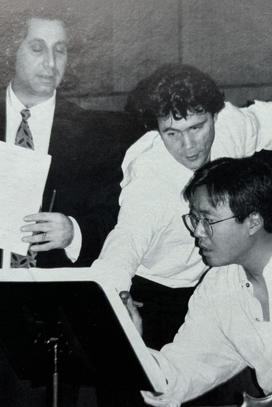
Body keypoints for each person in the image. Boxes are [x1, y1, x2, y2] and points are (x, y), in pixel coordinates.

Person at [91, 63, 272, 350]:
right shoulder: (149, 181)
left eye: (197, 127)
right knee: (144, 388)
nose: (188, 146)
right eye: (172, 133)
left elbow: (266, 120)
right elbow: (125, 242)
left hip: (216, 283)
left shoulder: (232, 126)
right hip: (154, 295)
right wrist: (114, 296)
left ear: (216, 115)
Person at [140, 152, 272, 406]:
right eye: (195, 219)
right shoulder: (220, 285)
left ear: (253, 221)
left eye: (208, 220)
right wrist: (132, 344)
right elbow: (183, 371)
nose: (197, 232)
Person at [0, 10, 121, 269]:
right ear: (11, 51)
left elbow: (114, 217)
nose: (51, 63)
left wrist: (74, 232)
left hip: (56, 296)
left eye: (60, 50)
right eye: (37, 49)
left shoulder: (96, 134)